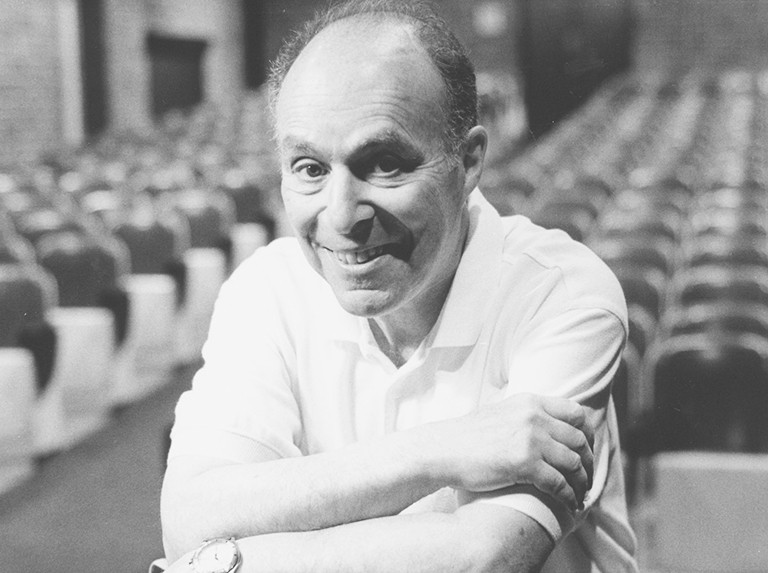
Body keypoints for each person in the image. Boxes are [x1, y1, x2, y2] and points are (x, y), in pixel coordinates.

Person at [160, 1, 638, 571]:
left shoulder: (563, 297)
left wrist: (230, 558)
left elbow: (481, 557)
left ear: (468, 163)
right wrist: (442, 449)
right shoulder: (265, 289)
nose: (340, 216)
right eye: (310, 168)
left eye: (384, 163)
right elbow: (187, 520)